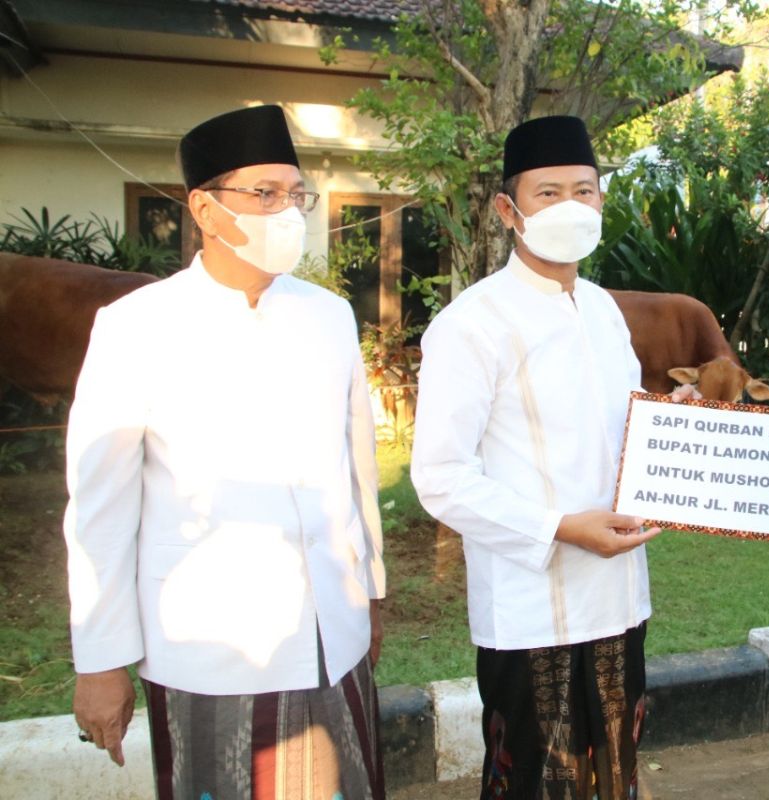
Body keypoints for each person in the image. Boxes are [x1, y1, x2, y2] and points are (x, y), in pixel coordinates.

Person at [64, 105, 386, 799]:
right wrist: (100, 662)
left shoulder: (329, 317)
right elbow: (101, 510)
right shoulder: (135, 328)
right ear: (205, 210)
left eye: (295, 195)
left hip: (335, 632)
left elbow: (357, 467)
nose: (287, 212)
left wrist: (374, 591)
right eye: (263, 193)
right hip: (211, 643)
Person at [410, 115, 659, 799]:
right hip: (532, 610)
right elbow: (440, 477)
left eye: (584, 190)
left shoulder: (606, 311)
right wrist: (557, 528)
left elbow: (630, 437)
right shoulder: (472, 323)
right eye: (549, 194)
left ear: (602, 201)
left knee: (614, 775)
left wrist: (680, 433)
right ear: (507, 210)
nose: (570, 207)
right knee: (537, 782)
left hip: (620, 599)